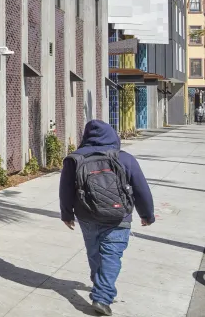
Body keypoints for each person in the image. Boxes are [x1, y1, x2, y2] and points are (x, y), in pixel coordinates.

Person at [59, 120, 155, 316]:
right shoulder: (125, 158)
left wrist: (67, 214)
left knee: (94, 252)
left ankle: (100, 284)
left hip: (86, 216)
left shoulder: (73, 159)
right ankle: (102, 297)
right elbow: (141, 189)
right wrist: (146, 214)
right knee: (111, 255)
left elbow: (65, 190)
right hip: (118, 217)